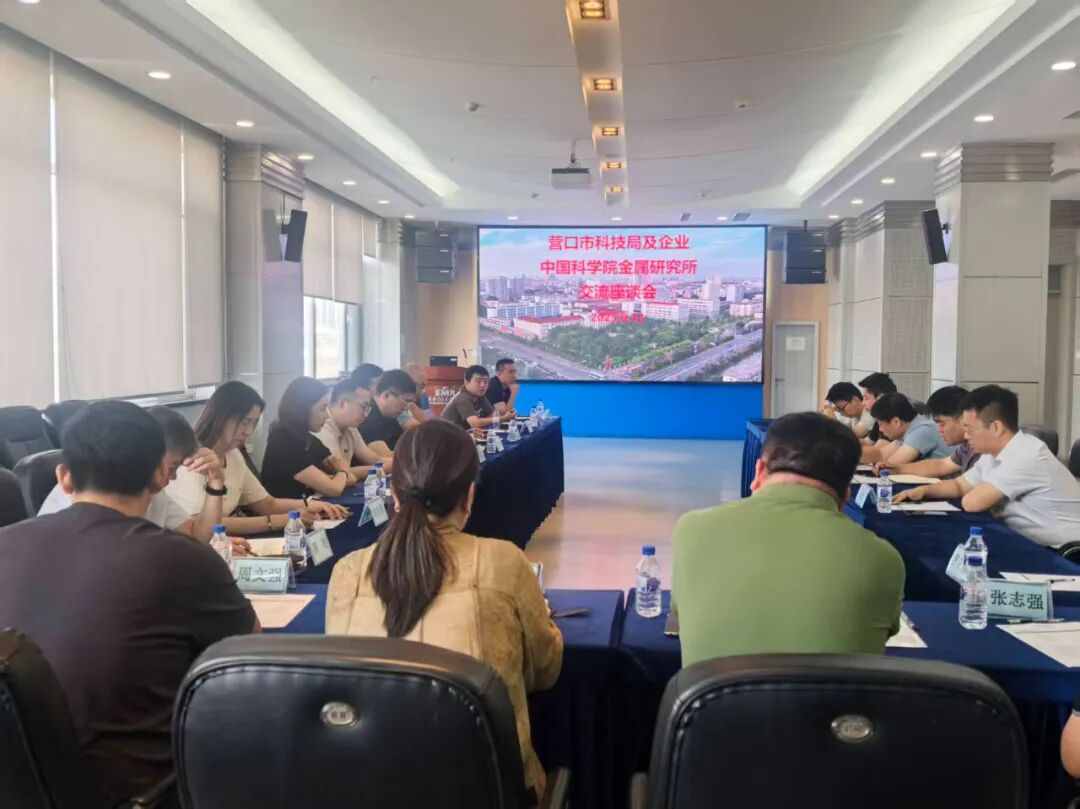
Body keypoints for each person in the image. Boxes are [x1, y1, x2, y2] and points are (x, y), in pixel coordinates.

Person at [0, 401, 257, 805]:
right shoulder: (183, 558)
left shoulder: (5, 543)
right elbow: (248, 656)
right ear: (160, 475)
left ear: (64, 477)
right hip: (139, 792)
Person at [326, 421, 562, 798]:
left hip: (372, 786)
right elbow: (545, 671)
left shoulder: (348, 572)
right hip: (489, 789)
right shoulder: (503, 562)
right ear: (469, 496)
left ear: (395, 495)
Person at [672, 412, 904, 667]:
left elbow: (680, 618)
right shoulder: (882, 558)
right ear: (845, 496)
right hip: (834, 695)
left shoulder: (692, 530)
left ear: (759, 471)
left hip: (714, 694)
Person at [895, 385, 1080, 548]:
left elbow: (972, 502)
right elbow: (959, 485)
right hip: (1027, 541)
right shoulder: (992, 453)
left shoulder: (1027, 454)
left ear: (996, 427)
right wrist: (924, 491)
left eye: (970, 429)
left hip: (1065, 552)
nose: (966, 436)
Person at [38, 406, 242, 550]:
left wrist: (216, 481)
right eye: (172, 467)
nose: (171, 477)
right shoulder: (89, 494)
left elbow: (198, 535)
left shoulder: (152, 492)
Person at [170, 381, 348, 534]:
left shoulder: (234, 455)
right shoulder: (192, 459)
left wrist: (309, 504)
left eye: (254, 423)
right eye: (245, 421)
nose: (249, 431)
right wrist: (278, 521)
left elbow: (266, 504)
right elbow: (202, 524)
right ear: (222, 418)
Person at [261, 377, 357, 499]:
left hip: (308, 506)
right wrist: (342, 471)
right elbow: (335, 489)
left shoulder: (309, 440)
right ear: (303, 409)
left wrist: (333, 478)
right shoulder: (283, 442)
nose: (327, 416)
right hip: (289, 510)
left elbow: (351, 479)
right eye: (322, 409)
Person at [889, 386, 979, 478]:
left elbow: (960, 484)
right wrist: (898, 469)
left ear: (962, 419)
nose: (939, 429)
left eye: (942, 424)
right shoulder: (966, 447)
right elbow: (941, 465)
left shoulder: (980, 451)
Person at [315, 378, 390, 478]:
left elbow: (374, 460)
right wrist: (386, 468)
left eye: (368, 408)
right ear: (343, 404)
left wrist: (401, 463)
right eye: (363, 407)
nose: (366, 414)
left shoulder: (350, 427)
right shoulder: (322, 427)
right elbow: (339, 472)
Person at [862, 392, 951, 466]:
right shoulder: (909, 429)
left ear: (896, 422)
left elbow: (891, 465)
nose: (880, 429)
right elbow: (881, 454)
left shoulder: (921, 431)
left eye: (881, 424)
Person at [359, 369, 417, 454]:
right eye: (406, 401)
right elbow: (384, 457)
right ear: (386, 395)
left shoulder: (390, 416)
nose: (406, 408)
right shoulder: (368, 418)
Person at [441, 365, 507, 430]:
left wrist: (493, 419)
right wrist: (500, 419)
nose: (483, 385)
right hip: (448, 435)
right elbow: (475, 424)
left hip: (465, 434)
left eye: (486, 381)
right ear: (466, 383)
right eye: (478, 381)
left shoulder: (480, 396)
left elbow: (492, 415)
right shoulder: (462, 398)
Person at [859, 372, 898, 444]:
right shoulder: (880, 415)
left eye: (866, 398)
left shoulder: (896, 416)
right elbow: (868, 442)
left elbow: (880, 449)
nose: (862, 404)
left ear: (881, 398)